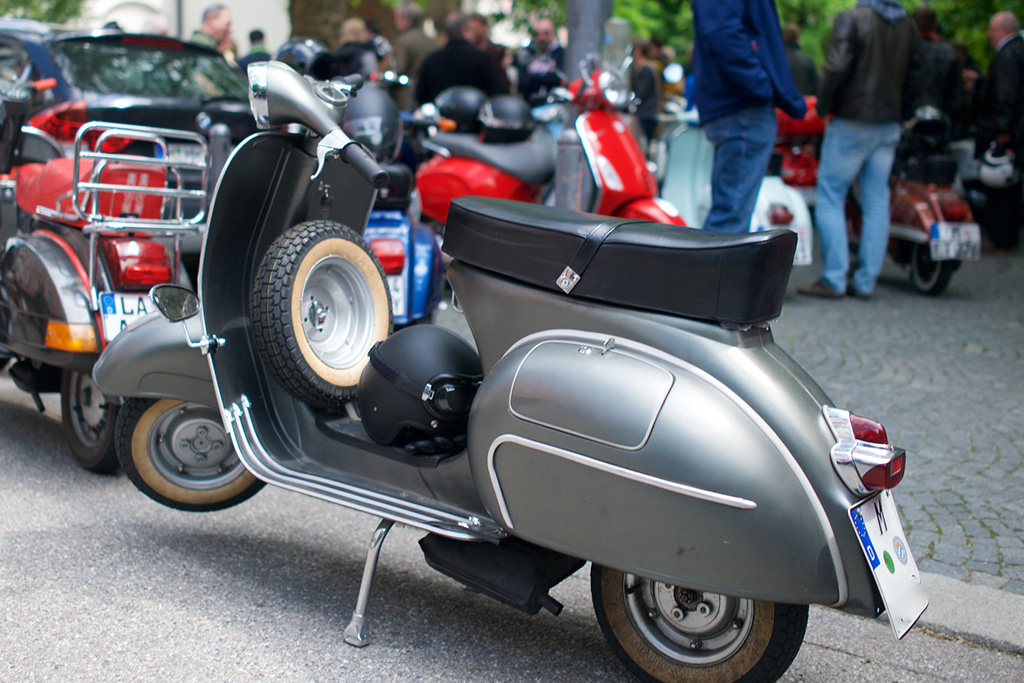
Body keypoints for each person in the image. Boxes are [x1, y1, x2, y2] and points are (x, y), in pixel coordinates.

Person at [798, 0, 919, 299]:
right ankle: (865, 281)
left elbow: (837, 66)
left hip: (852, 119)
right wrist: (901, 114)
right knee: (877, 198)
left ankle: (834, 278)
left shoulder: (852, 19)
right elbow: (914, 75)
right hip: (888, 123)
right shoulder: (907, 25)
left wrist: (823, 107)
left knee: (830, 195)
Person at [691, 0, 806, 234]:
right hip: (742, 105)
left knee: (729, 218)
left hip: (739, 104)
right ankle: (715, 260)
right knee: (729, 222)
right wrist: (760, 86)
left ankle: (716, 258)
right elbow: (722, 32)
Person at [974, 11, 1024, 253]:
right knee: (1011, 183)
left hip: (1007, 130)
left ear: (1004, 30)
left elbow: (1006, 93)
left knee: (1000, 185)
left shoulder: (1008, 55)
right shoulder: (1018, 51)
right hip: (1017, 127)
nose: (988, 34)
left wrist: (1002, 127)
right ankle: (1007, 237)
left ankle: (1001, 238)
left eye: (992, 29)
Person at [415, 13, 506, 107]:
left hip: (440, 114)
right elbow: (497, 92)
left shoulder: (432, 59)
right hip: (475, 114)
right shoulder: (481, 58)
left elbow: (421, 96)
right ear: (464, 31)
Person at [906, 8, 962, 118]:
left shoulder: (904, 52)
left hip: (908, 117)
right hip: (941, 117)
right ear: (934, 26)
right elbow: (957, 96)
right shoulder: (949, 53)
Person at [392, 1, 437, 110]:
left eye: (397, 17)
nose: (395, 22)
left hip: (407, 98)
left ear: (406, 19)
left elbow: (398, 69)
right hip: (428, 97)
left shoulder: (403, 41)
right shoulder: (431, 41)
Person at [515, 17, 564, 102]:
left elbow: (560, 79)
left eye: (546, 33)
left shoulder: (561, 54)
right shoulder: (528, 54)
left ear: (553, 33)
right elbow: (522, 84)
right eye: (537, 34)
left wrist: (535, 78)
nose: (541, 38)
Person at [467, 13, 511, 93]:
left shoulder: (497, 51)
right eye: (471, 29)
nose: (473, 33)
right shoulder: (469, 53)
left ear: (484, 28)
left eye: (476, 28)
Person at [630, 38, 662, 147]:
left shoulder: (646, 70)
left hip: (646, 116)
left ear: (638, 50)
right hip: (645, 116)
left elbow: (639, 94)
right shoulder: (641, 68)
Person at [782, 23, 819, 97]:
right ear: (797, 38)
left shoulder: (777, 59)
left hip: (780, 101)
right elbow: (816, 84)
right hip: (801, 100)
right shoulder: (806, 58)